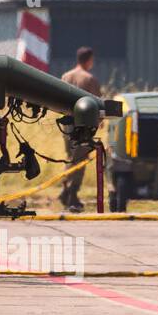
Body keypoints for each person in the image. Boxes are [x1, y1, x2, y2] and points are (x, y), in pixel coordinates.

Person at [58, 46, 103, 213]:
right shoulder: (90, 79)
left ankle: (65, 190)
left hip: (67, 123)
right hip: (83, 125)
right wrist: (99, 121)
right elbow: (98, 104)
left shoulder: (65, 76)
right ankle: (72, 195)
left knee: (70, 157)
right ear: (89, 60)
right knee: (80, 160)